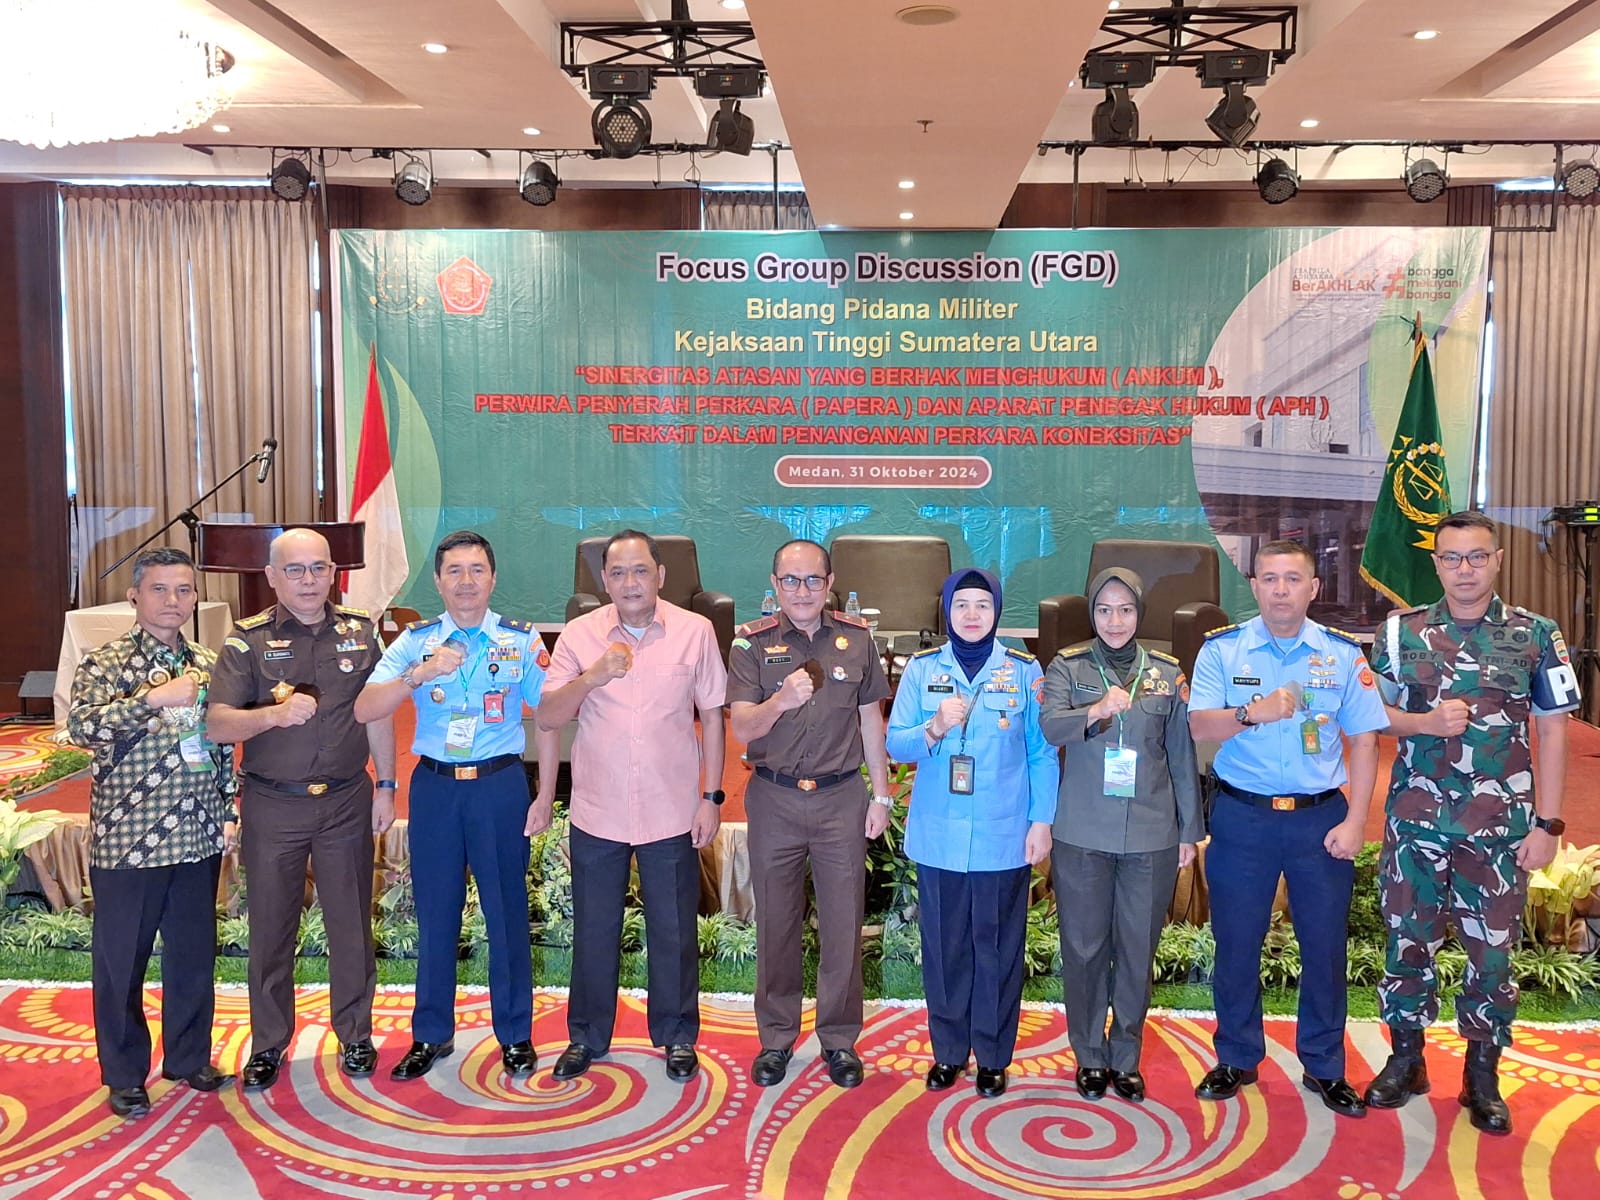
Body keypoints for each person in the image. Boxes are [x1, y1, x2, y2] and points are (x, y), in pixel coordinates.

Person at [1363, 510, 1580, 1134]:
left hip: (1500, 829)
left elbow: (1553, 729)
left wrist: (1550, 824)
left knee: (1492, 956)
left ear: (1498, 559)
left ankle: (1481, 1074)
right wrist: (1424, 723)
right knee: (1408, 942)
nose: (1465, 570)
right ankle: (1407, 1060)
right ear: (1435, 564)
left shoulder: (1537, 635)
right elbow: (1373, 714)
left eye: (1477, 557)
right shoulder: (1401, 633)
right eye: (1453, 558)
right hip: (1416, 821)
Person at [1186, 539, 1385, 1118]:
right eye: (1269, 578)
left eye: (1292, 579)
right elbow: (1199, 726)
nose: (1280, 590)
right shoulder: (1223, 651)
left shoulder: (1343, 655)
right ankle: (1237, 1055)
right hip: (1243, 815)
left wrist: (1355, 820)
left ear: (1313, 587)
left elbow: (1366, 740)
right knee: (1236, 943)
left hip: (1320, 820)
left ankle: (1324, 1066)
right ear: (1253, 585)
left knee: (1323, 947)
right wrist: (1254, 712)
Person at [355, 530, 559, 1081]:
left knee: (507, 913)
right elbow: (366, 707)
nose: (465, 582)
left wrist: (544, 793)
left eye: (476, 570)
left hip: (499, 788)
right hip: (437, 789)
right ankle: (430, 1034)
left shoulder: (519, 640)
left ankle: (515, 1034)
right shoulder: (414, 642)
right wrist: (419, 674)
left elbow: (549, 715)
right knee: (436, 913)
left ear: (492, 578)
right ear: (439, 581)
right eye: (454, 571)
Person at [207, 527, 396, 1089]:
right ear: (271, 577)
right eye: (295, 570)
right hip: (272, 804)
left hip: (345, 801)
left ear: (334, 572)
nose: (309, 580)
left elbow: (379, 712)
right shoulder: (246, 641)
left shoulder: (361, 634)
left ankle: (356, 1035)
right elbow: (217, 722)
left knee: (351, 925)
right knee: (270, 929)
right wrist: (269, 716)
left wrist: (386, 783)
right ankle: (268, 1044)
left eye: (319, 568)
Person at [537, 529, 727, 1083]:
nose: (629, 582)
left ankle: (676, 1036)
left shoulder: (694, 633)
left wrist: (710, 796)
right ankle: (587, 1036)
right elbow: (549, 715)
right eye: (617, 573)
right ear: (604, 581)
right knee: (595, 930)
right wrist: (593, 676)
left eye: (640, 571)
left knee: (674, 931)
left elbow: (713, 716)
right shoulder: (578, 635)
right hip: (600, 809)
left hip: (672, 808)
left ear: (660, 575)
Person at [68, 548, 238, 1117]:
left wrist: (228, 810)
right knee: (123, 961)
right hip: (128, 837)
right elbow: (80, 727)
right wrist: (149, 702)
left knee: (193, 955)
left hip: (196, 835)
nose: (173, 600)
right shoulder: (106, 662)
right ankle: (123, 1074)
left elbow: (221, 746)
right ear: (134, 597)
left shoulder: (210, 662)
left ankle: (188, 1057)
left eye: (184, 590)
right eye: (160, 589)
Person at [727, 539, 894, 1090]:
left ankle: (839, 1039)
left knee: (843, 924)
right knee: (776, 922)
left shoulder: (857, 640)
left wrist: (882, 795)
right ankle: (776, 1038)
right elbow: (743, 727)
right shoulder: (751, 644)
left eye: (813, 580)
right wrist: (782, 701)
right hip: (773, 798)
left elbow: (872, 721)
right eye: (791, 581)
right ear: (774, 584)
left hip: (839, 798)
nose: (802, 591)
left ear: (830, 583)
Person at [885, 568, 1057, 1097]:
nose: (973, 614)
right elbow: (897, 745)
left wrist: (1042, 821)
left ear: (997, 611)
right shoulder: (920, 670)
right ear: (947, 610)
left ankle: (993, 1056)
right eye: (962, 604)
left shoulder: (1026, 672)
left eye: (983, 604)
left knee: (999, 949)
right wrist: (933, 726)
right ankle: (948, 1052)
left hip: (1003, 836)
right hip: (940, 836)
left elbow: (1041, 752)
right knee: (945, 948)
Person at [1039, 567, 1203, 1103]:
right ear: (1092, 613)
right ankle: (1088, 1055)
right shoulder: (1068, 666)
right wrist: (1096, 710)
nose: (1115, 620)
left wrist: (1189, 830)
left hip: (1152, 833)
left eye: (1126, 610)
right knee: (1084, 948)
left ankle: (1125, 1056)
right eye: (1105, 610)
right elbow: (1049, 727)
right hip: (1083, 829)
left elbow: (1181, 753)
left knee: (1137, 948)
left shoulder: (1166, 672)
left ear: (1139, 614)